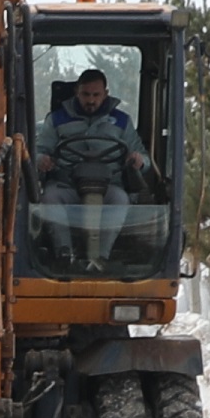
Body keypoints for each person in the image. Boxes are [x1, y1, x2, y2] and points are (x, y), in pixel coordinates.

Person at [33, 68, 133, 273]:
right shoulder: (56, 119)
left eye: (96, 95)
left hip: (107, 188)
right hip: (68, 186)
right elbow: (38, 151)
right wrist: (41, 160)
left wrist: (139, 160)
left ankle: (101, 259)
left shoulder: (122, 122)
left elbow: (143, 157)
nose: (91, 100)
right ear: (77, 92)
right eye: (86, 94)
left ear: (105, 93)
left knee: (121, 199)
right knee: (50, 198)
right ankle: (64, 254)